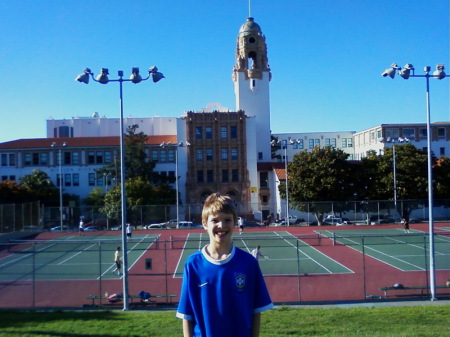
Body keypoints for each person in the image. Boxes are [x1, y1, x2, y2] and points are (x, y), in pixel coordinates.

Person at [176, 193, 273, 337]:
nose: (221, 225)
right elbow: (187, 316)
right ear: (204, 223)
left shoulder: (249, 263)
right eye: (215, 220)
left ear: (235, 222)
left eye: (227, 220)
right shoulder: (193, 264)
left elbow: (256, 312)